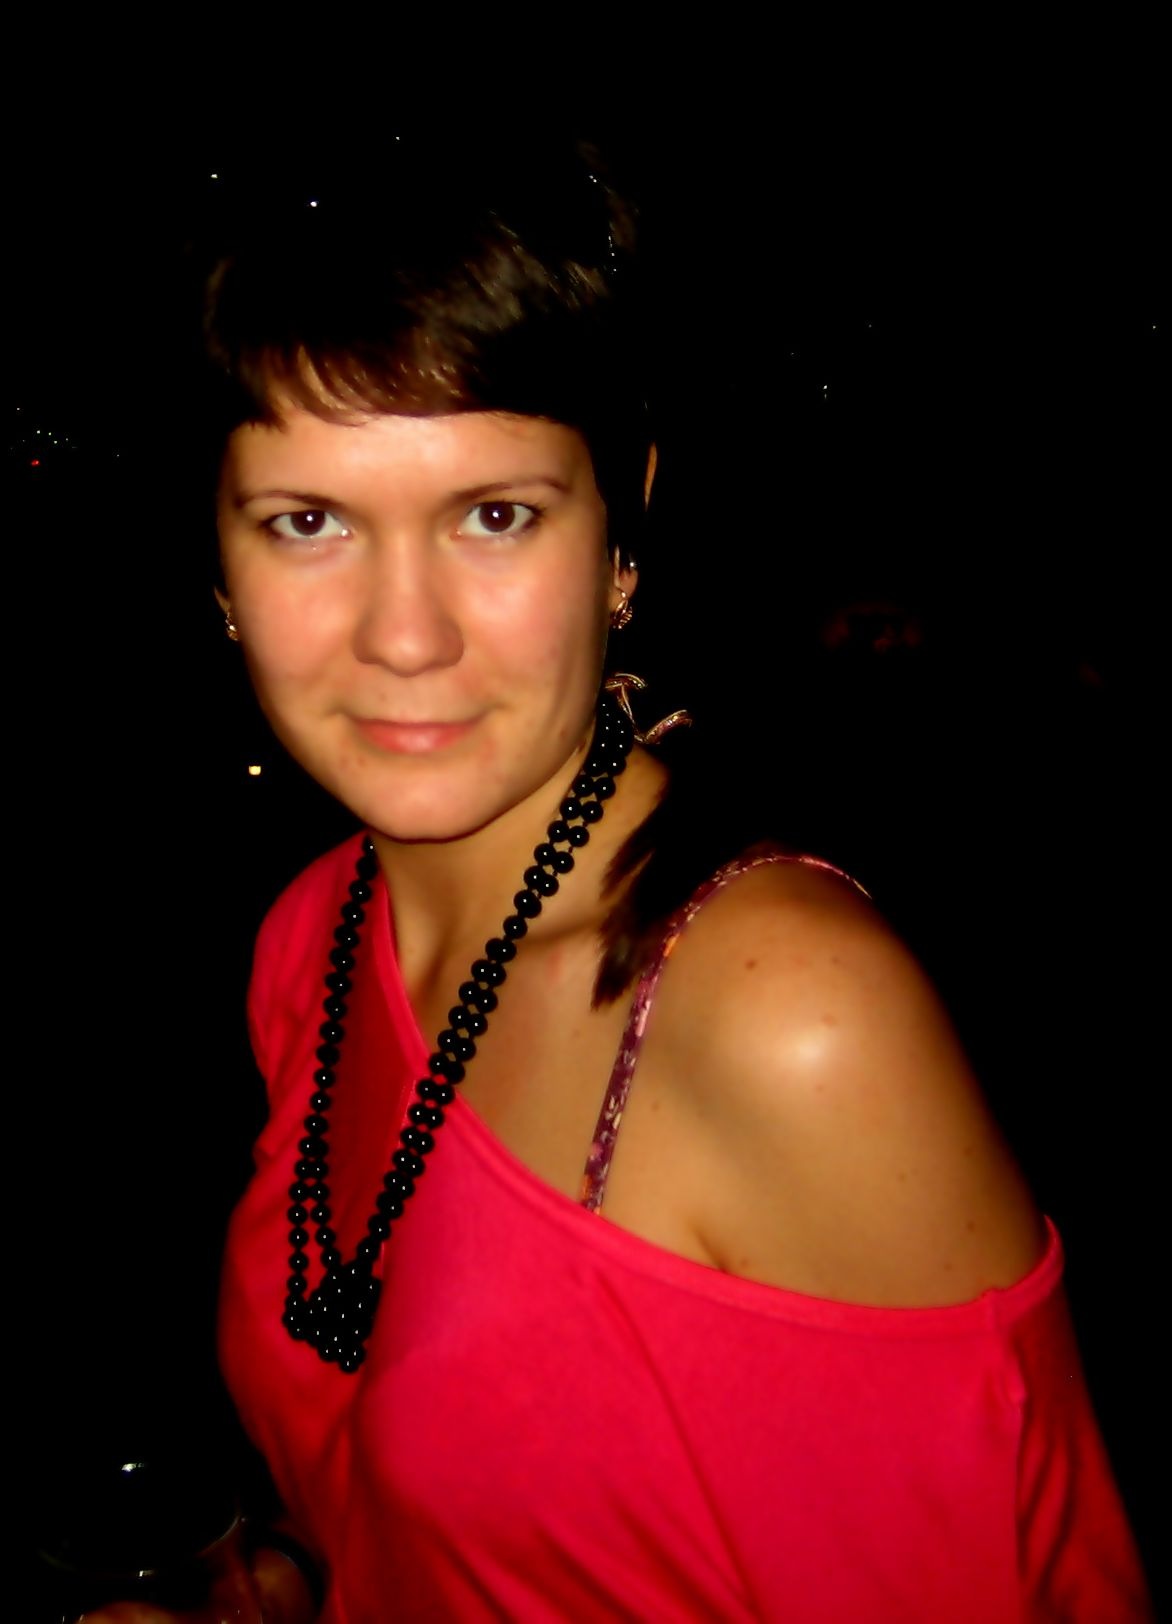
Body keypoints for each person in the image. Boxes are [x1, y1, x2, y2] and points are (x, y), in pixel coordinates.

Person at [192, 139, 1149, 1620]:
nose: (403, 637)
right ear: (218, 561)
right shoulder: (309, 936)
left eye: (495, 515)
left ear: (622, 532)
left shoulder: (783, 1018)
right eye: (308, 523)